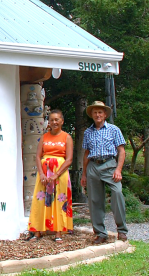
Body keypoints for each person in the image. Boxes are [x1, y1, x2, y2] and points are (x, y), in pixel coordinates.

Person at [80, 100, 128, 244]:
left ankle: (122, 230)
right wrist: (84, 174)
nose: (97, 115)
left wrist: (118, 169)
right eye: (95, 112)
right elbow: (86, 153)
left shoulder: (114, 129)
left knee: (117, 193)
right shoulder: (88, 132)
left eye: (100, 112)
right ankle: (100, 233)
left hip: (110, 164)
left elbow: (121, 151)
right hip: (93, 166)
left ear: (105, 114)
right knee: (95, 200)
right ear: (92, 115)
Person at [27, 109, 74, 241]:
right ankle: (38, 230)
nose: (54, 122)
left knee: (59, 199)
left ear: (62, 121)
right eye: (52, 120)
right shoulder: (44, 137)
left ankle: (58, 231)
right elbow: (37, 156)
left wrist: (56, 174)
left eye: (57, 119)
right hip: (44, 173)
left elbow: (69, 159)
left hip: (60, 172)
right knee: (41, 199)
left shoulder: (67, 137)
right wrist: (41, 173)